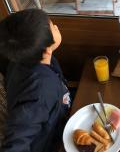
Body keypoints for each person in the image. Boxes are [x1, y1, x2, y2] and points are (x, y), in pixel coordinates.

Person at [0, 9, 71, 152]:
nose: (56, 27)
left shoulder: (21, 58)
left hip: (60, 110)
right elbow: (15, 143)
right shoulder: (37, 94)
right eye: (53, 26)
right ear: (46, 50)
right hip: (54, 142)